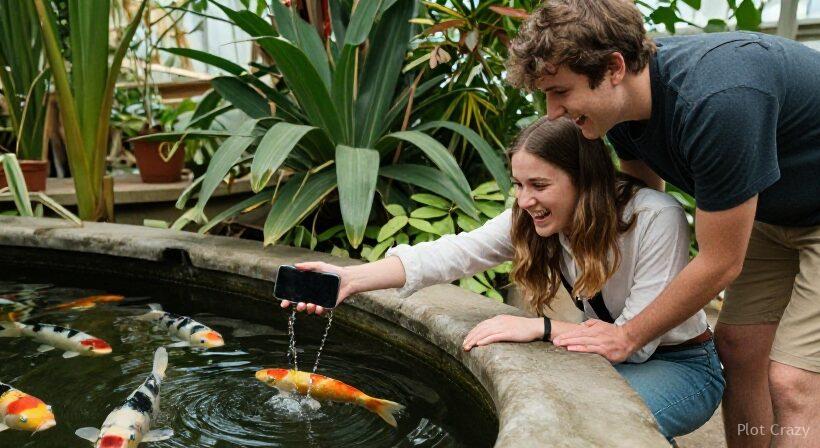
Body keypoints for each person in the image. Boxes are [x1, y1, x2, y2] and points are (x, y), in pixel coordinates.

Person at [281, 117, 724, 442]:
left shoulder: (653, 217)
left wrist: (542, 327)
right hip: (605, 360)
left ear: (584, 179)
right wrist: (349, 280)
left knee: (601, 431)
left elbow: (636, 341)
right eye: (517, 184)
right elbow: (452, 253)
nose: (525, 200)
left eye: (539, 185)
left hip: (681, 365)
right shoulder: (534, 217)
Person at [502, 1, 820, 447]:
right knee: (740, 348)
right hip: (774, 206)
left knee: (793, 380)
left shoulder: (715, 103)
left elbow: (720, 262)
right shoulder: (620, 112)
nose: (553, 111)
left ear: (613, 67)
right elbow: (639, 210)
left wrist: (626, 336)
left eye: (560, 91)